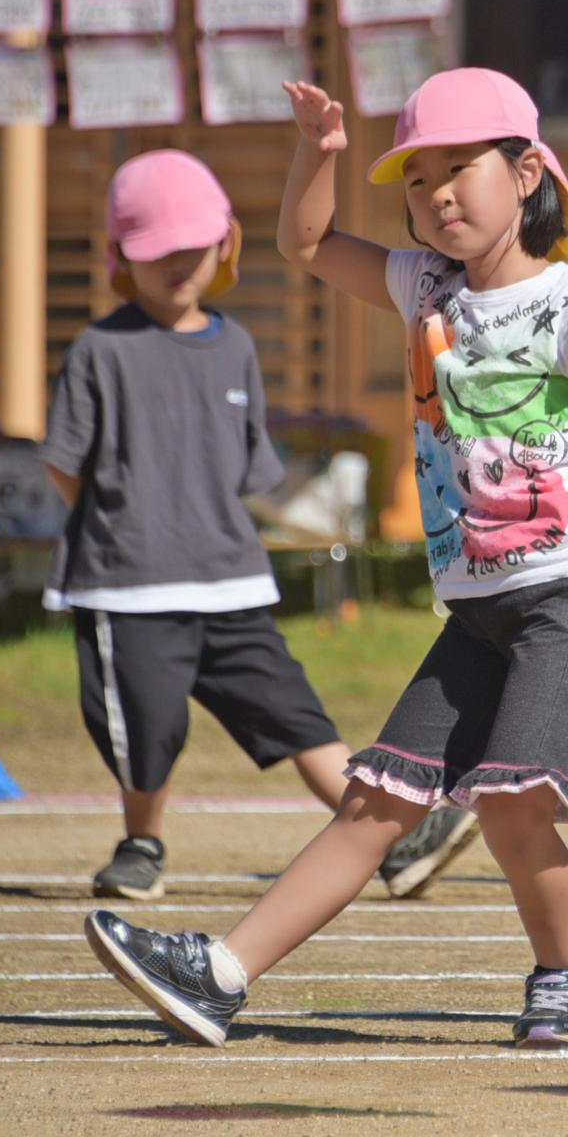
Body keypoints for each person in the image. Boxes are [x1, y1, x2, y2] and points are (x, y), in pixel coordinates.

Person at [82, 69, 568, 1051]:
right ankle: (220, 976)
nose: (436, 193)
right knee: (374, 801)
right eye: (416, 179)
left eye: (459, 169)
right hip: (475, 605)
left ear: (526, 173)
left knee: (518, 806)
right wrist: (319, 153)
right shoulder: (420, 286)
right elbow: (305, 244)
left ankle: (567, 983)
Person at [42, 149, 476, 905]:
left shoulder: (237, 346)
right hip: (129, 585)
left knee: (299, 717)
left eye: (193, 247)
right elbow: (64, 463)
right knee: (148, 729)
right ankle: (141, 842)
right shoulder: (99, 350)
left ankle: (393, 841)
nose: (179, 264)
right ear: (120, 258)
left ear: (225, 247)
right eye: (157, 252)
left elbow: (252, 471)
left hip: (231, 580)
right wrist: (127, 517)